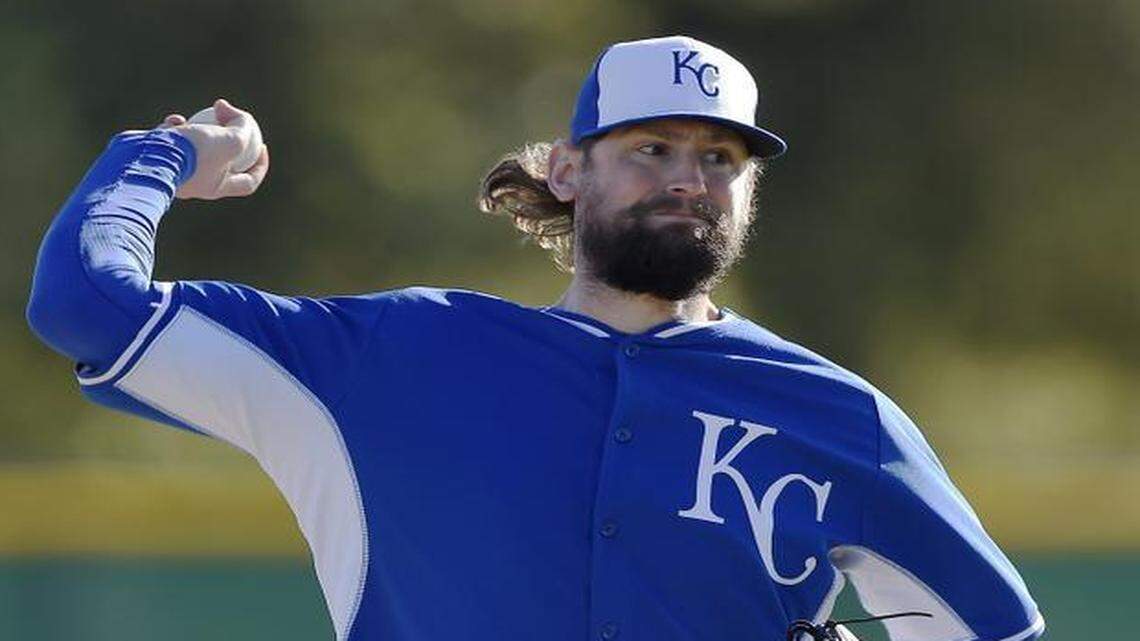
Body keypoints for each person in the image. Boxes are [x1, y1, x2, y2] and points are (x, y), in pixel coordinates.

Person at [27, 35, 1044, 641]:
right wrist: (162, 156)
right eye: (651, 147)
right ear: (566, 170)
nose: (690, 178)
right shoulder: (388, 360)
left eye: (722, 157)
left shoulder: (840, 419)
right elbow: (86, 303)